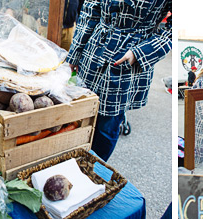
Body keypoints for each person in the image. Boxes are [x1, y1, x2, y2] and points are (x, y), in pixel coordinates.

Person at [67, 0, 171, 161]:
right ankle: (70, 162)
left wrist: (140, 53)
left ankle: (93, 168)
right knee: (79, 113)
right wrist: (75, 52)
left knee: (107, 124)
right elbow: (90, 10)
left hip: (129, 56)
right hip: (95, 48)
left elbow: (174, 28)